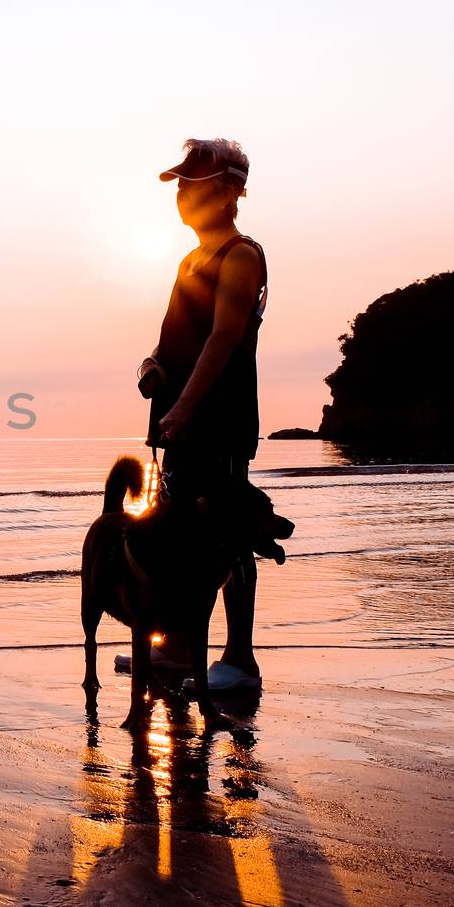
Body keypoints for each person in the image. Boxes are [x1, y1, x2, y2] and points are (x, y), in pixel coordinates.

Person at [138, 138, 267, 692]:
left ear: (229, 190)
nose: (184, 196)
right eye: (181, 187)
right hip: (180, 420)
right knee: (180, 537)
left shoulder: (240, 254)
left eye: (195, 185)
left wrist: (188, 404)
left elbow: (224, 337)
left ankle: (239, 661)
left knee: (227, 534)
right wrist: (154, 366)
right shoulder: (191, 259)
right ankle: (181, 649)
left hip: (219, 419)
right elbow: (182, 339)